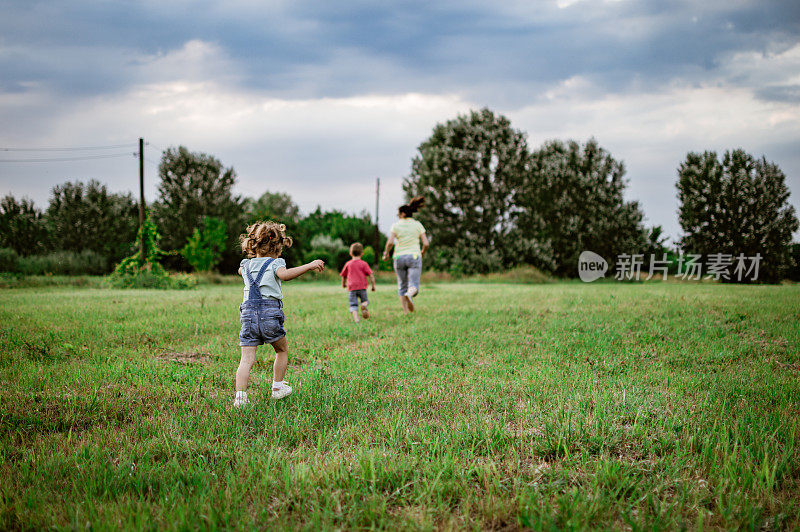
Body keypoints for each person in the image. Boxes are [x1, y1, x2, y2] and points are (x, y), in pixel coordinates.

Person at [234, 221, 324, 407]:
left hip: (248, 315)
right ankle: (277, 387)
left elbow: (240, 270)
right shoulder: (276, 263)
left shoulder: (246, 265)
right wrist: (309, 265)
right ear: (277, 246)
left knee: (246, 359)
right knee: (281, 350)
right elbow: (285, 275)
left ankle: (240, 398)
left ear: (254, 244)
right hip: (269, 313)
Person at [382, 196, 429, 314]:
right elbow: (426, 243)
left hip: (399, 257)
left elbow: (390, 242)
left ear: (403, 214)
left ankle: (405, 312)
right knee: (413, 286)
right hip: (414, 256)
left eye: (398, 214)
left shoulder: (396, 225)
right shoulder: (417, 225)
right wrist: (422, 252)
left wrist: (386, 253)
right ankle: (410, 294)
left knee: (402, 285)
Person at [340, 242, 376, 323]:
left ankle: (357, 320)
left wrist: (343, 284)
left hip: (352, 288)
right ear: (362, 253)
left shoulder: (348, 264)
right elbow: (371, 275)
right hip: (362, 287)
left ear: (350, 253)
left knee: (353, 305)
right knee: (365, 300)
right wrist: (373, 286)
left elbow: (343, 276)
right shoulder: (364, 264)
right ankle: (363, 305)